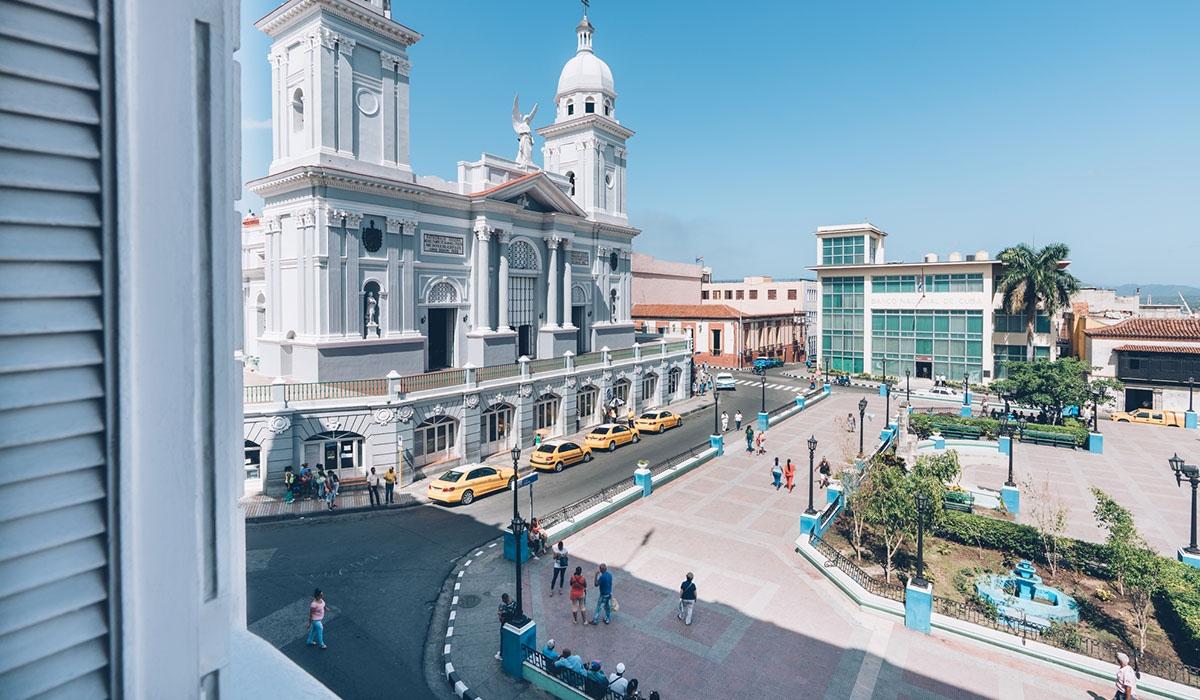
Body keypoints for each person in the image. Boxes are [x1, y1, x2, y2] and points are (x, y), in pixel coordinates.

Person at [494, 592, 516, 661]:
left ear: (504, 600)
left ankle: (501, 654)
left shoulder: (505, 610)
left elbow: (501, 618)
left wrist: (500, 614)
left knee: (503, 640)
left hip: (506, 625)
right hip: (513, 624)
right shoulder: (514, 603)